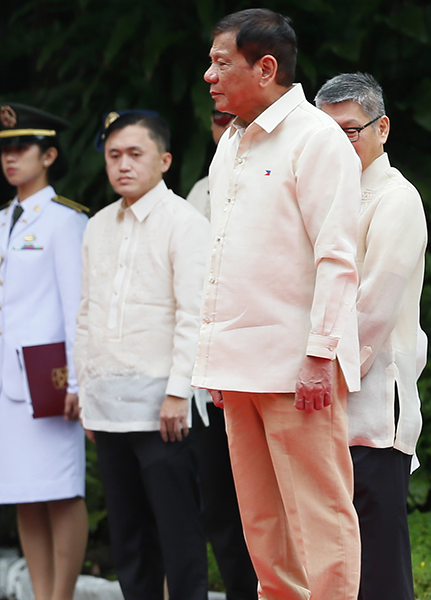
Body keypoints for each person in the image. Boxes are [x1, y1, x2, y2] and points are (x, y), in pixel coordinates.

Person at [192, 9, 362, 600]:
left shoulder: (317, 138)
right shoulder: (232, 141)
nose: (209, 76)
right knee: (262, 524)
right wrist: (214, 359)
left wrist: (321, 355)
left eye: (221, 63)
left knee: (320, 513)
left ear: (265, 68)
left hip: (297, 366)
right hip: (238, 364)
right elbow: (224, 261)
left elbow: (338, 258)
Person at [76, 110, 209, 600]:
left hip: (163, 408)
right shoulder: (97, 226)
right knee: (128, 536)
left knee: (178, 531)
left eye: (135, 154)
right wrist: (84, 393)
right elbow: (86, 314)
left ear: (165, 159)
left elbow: (193, 315)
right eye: (114, 156)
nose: (123, 165)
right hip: (108, 407)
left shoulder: (185, 223)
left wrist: (178, 393)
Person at [316, 72, 427, 600]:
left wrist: (321, 373)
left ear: (382, 127)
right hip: (322, 403)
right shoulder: (324, 196)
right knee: (333, 563)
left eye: (350, 131)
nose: (338, 144)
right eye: (325, 132)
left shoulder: (396, 199)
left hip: (371, 403)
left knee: (379, 567)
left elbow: (374, 309)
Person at [0, 103, 88, 600]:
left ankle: (61, 594)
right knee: (21, 495)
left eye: (21, 148)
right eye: (4, 149)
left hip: (48, 377)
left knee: (60, 490)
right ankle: (42, 595)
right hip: (0, 382)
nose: (10, 157)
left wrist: (79, 381)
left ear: (50, 155)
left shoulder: (65, 221)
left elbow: (76, 305)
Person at [186, 110, 258, 600]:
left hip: (265, 368)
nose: (228, 128)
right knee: (220, 505)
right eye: (218, 120)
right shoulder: (199, 191)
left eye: (236, 118)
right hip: (210, 370)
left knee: (271, 506)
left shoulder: (288, 171)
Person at [185, 109, 233, 220]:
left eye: (241, 117)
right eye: (221, 116)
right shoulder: (200, 188)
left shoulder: (270, 179)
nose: (231, 125)